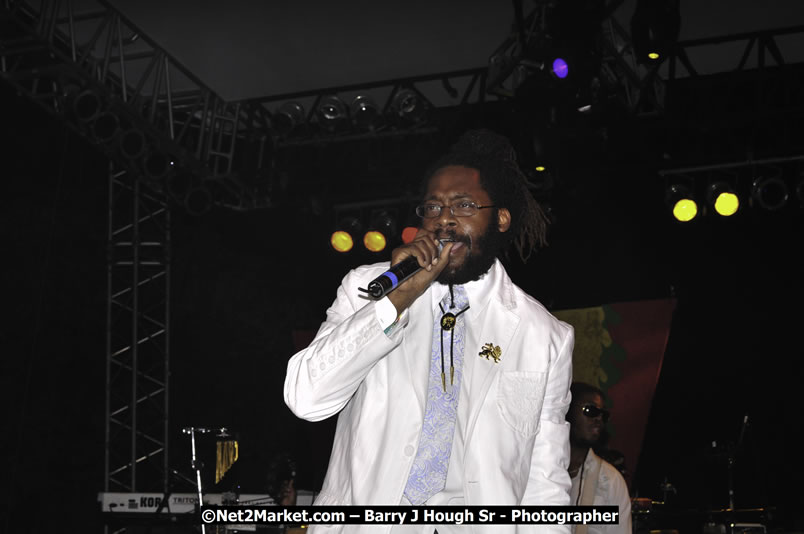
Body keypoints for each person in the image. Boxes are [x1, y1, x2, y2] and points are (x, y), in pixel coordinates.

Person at [284, 129, 575, 533]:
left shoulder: (544, 336)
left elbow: (545, 482)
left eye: (464, 205)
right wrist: (393, 303)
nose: (445, 220)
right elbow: (306, 399)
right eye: (433, 208)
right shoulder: (368, 288)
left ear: (501, 218)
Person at [566, 383, 632, 534]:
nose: (599, 419)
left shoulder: (611, 480)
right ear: (566, 409)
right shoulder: (536, 467)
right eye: (591, 411)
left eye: (604, 415)